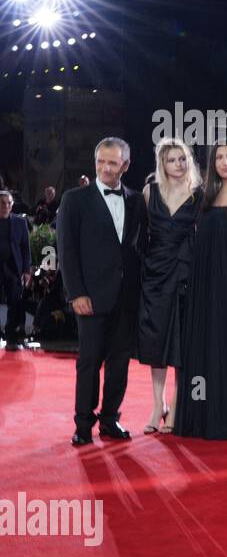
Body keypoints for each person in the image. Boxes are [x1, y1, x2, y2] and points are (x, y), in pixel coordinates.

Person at [56, 137, 147, 445]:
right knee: (89, 361)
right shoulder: (74, 199)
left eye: (113, 163)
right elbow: (67, 250)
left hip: (127, 296)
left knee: (120, 363)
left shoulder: (136, 200)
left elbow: (139, 248)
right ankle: (83, 425)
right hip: (90, 297)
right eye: (101, 162)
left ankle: (110, 420)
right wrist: (76, 293)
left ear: (126, 164)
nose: (106, 168)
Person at [173, 143, 227, 440]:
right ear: (213, 163)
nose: (225, 163)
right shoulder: (205, 197)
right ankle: (201, 413)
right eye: (220, 158)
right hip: (204, 282)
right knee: (205, 344)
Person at [136, 139, 201, 433]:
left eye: (182, 159)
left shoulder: (199, 195)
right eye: (171, 160)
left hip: (187, 271)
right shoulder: (150, 192)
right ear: (161, 164)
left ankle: (175, 406)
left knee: (182, 341)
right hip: (156, 273)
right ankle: (156, 404)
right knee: (157, 338)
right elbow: (139, 236)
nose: (178, 164)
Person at [0, 190, 33, 350]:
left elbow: (26, 248)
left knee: (15, 302)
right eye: (2, 203)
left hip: (13, 268)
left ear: (12, 205)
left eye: (9, 203)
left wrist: (27, 270)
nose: (6, 206)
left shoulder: (20, 222)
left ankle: (11, 337)